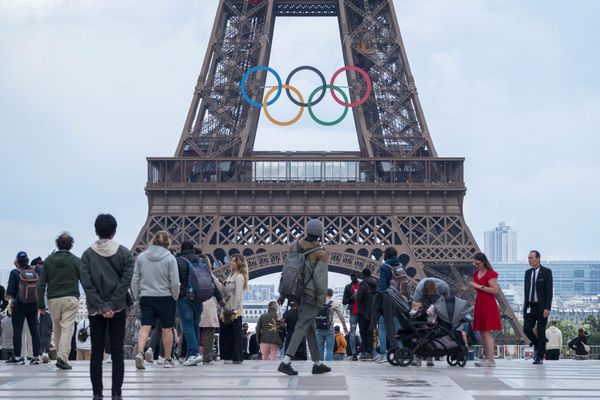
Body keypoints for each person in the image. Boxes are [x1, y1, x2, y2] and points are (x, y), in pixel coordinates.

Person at [80, 214, 134, 400]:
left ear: (96, 231)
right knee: (117, 352)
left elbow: (87, 286)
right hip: (118, 309)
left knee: (96, 352)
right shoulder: (125, 254)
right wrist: (111, 305)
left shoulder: (87, 255)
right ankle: (116, 393)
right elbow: (125, 283)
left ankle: (97, 393)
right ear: (114, 231)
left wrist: (102, 306)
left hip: (96, 311)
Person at [277, 219, 330, 376]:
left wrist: (282, 294)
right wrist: (321, 299)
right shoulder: (321, 253)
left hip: (297, 293)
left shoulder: (294, 246)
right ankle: (286, 361)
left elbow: (287, 271)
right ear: (320, 234)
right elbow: (320, 280)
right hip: (311, 295)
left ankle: (317, 363)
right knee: (302, 326)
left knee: (310, 327)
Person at [131, 231, 180, 370]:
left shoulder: (141, 257)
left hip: (147, 296)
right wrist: (174, 296)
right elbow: (175, 282)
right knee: (167, 328)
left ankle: (140, 352)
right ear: (167, 242)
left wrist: (137, 296)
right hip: (166, 297)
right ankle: (168, 358)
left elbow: (135, 280)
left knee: (145, 326)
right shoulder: (170, 258)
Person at [37, 232, 81, 370]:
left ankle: (59, 356)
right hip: (70, 298)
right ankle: (63, 357)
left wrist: (41, 305)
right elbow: (84, 280)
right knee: (67, 328)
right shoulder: (75, 260)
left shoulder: (49, 261)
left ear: (57, 244)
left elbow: (41, 284)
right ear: (71, 245)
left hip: (53, 299)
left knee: (57, 329)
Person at [175, 241, 223, 366]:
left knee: (188, 325)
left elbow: (173, 280)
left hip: (184, 296)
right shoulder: (201, 261)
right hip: (198, 297)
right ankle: (194, 353)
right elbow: (210, 280)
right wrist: (219, 298)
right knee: (195, 325)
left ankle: (193, 354)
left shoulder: (178, 261)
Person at [5, 252, 42, 365]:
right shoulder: (35, 271)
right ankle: (35, 357)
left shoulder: (15, 272)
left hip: (19, 305)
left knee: (17, 332)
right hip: (33, 305)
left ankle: (17, 357)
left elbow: (10, 291)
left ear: (17, 261)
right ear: (27, 260)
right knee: (34, 331)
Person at [469, 252, 501, 367]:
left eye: (477, 263)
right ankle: (487, 358)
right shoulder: (476, 274)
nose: (475, 265)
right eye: (474, 263)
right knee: (482, 332)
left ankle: (490, 359)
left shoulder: (490, 274)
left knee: (487, 332)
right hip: (480, 303)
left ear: (483, 262)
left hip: (488, 304)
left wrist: (478, 287)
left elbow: (495, 290)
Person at [410, 277, 450, 366]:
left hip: (431, 318)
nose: (430, 296)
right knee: (425, 336)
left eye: (432, 294)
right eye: (428, 294)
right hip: (427, 318)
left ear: (436, 288)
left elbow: (447, 303)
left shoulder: (443, 287)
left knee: (422, 336)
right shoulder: (419, 291)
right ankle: (425, 358)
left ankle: (421, 357)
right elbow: (415, 306)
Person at [523, 250, 553, 365]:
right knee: (526, 329)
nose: (529, 260)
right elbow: (526, 291)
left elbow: (549, 291)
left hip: (541, 307)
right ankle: (537, 344)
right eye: (528, 258)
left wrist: (547, 308)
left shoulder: (546, 272)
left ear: (538, 258)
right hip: (530, 305)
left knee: (541, 331)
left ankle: (539, 356)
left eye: (531, 258)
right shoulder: (527, 273)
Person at [375, 247, 403, 362]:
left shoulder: (384, 267)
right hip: (399, 300)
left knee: (382, 326)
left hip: (387, 299)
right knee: (398, 327)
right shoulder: (401, 266)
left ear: (386, 255)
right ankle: (401, 351)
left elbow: (382, 287)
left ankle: (383, 353)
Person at [219, 254, 249, 364]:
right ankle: (227, 356)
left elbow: (238, 296)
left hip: (233, 311)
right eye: (231, 260)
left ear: (239, 263)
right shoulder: (230, 276)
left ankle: (236, 357)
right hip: (226, 310)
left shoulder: (239, 277)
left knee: (234, 335)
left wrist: (234, 312)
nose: (231, 263)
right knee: (226, 334)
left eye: (233, 261)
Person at [316, 288, 348, 361]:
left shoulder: (318, 302)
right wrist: (345, 328)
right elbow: (341, 317)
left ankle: (320, 366)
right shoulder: (334, 303)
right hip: (329, 328)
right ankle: (328, 366)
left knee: (320, 348)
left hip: (319, 328)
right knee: (329, 349)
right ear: (332, 295)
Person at [199, 273, 223, 365]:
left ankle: (190, 355)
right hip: (208, 305)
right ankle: (207, 358)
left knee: (192, 331)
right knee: (209, 332)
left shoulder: (190, 272)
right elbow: (219, 289)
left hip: (194, 304)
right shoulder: (210, 275)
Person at [356, 267, 377, 360]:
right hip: (372, 311)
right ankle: (371, 351)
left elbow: (358, 298)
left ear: (363, 274)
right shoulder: (375, 284)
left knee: (363, 332)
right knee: (370, 332)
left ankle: (365, 352)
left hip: (363, 312)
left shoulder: (363, 284)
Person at [342, 273, 360, 360]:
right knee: (352, 334)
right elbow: (344, 301)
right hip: (353, 313)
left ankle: (361, 351)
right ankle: (354, 354)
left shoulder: (362, 286)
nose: (353, 278)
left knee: (363, 333)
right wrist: (352, 298)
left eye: (354, 276)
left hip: (361, 313)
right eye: (352, 277)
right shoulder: (348, 287)